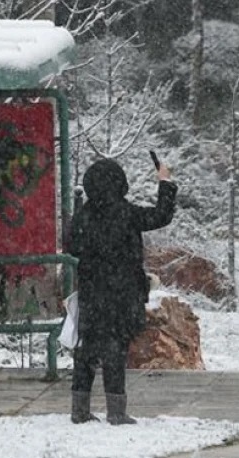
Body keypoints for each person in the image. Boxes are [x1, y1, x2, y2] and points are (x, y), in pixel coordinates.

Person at [68, 156, 177, 425]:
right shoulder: (127, 214)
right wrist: (164, 181)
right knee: (115, 349)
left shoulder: (83, 216)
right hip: (122, 294)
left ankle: (79, 409)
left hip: (92, 293)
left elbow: (72, 247)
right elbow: (161, 215)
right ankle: (116, 411)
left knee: (87, 350)